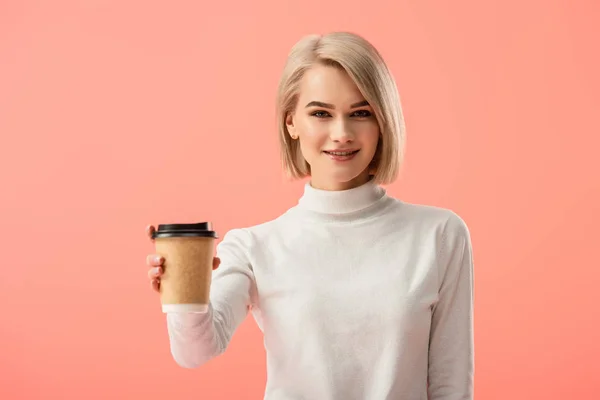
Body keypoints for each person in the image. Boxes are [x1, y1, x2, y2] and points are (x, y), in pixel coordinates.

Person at [145, 31, 474, 400]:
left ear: (383, 122)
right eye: (321, 113)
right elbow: (195, 352)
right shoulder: (254, 247)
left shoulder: (440, 235)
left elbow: (451, 385)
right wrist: (182, 294)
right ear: (292, 123)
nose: (342, 133)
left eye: (360, 113)